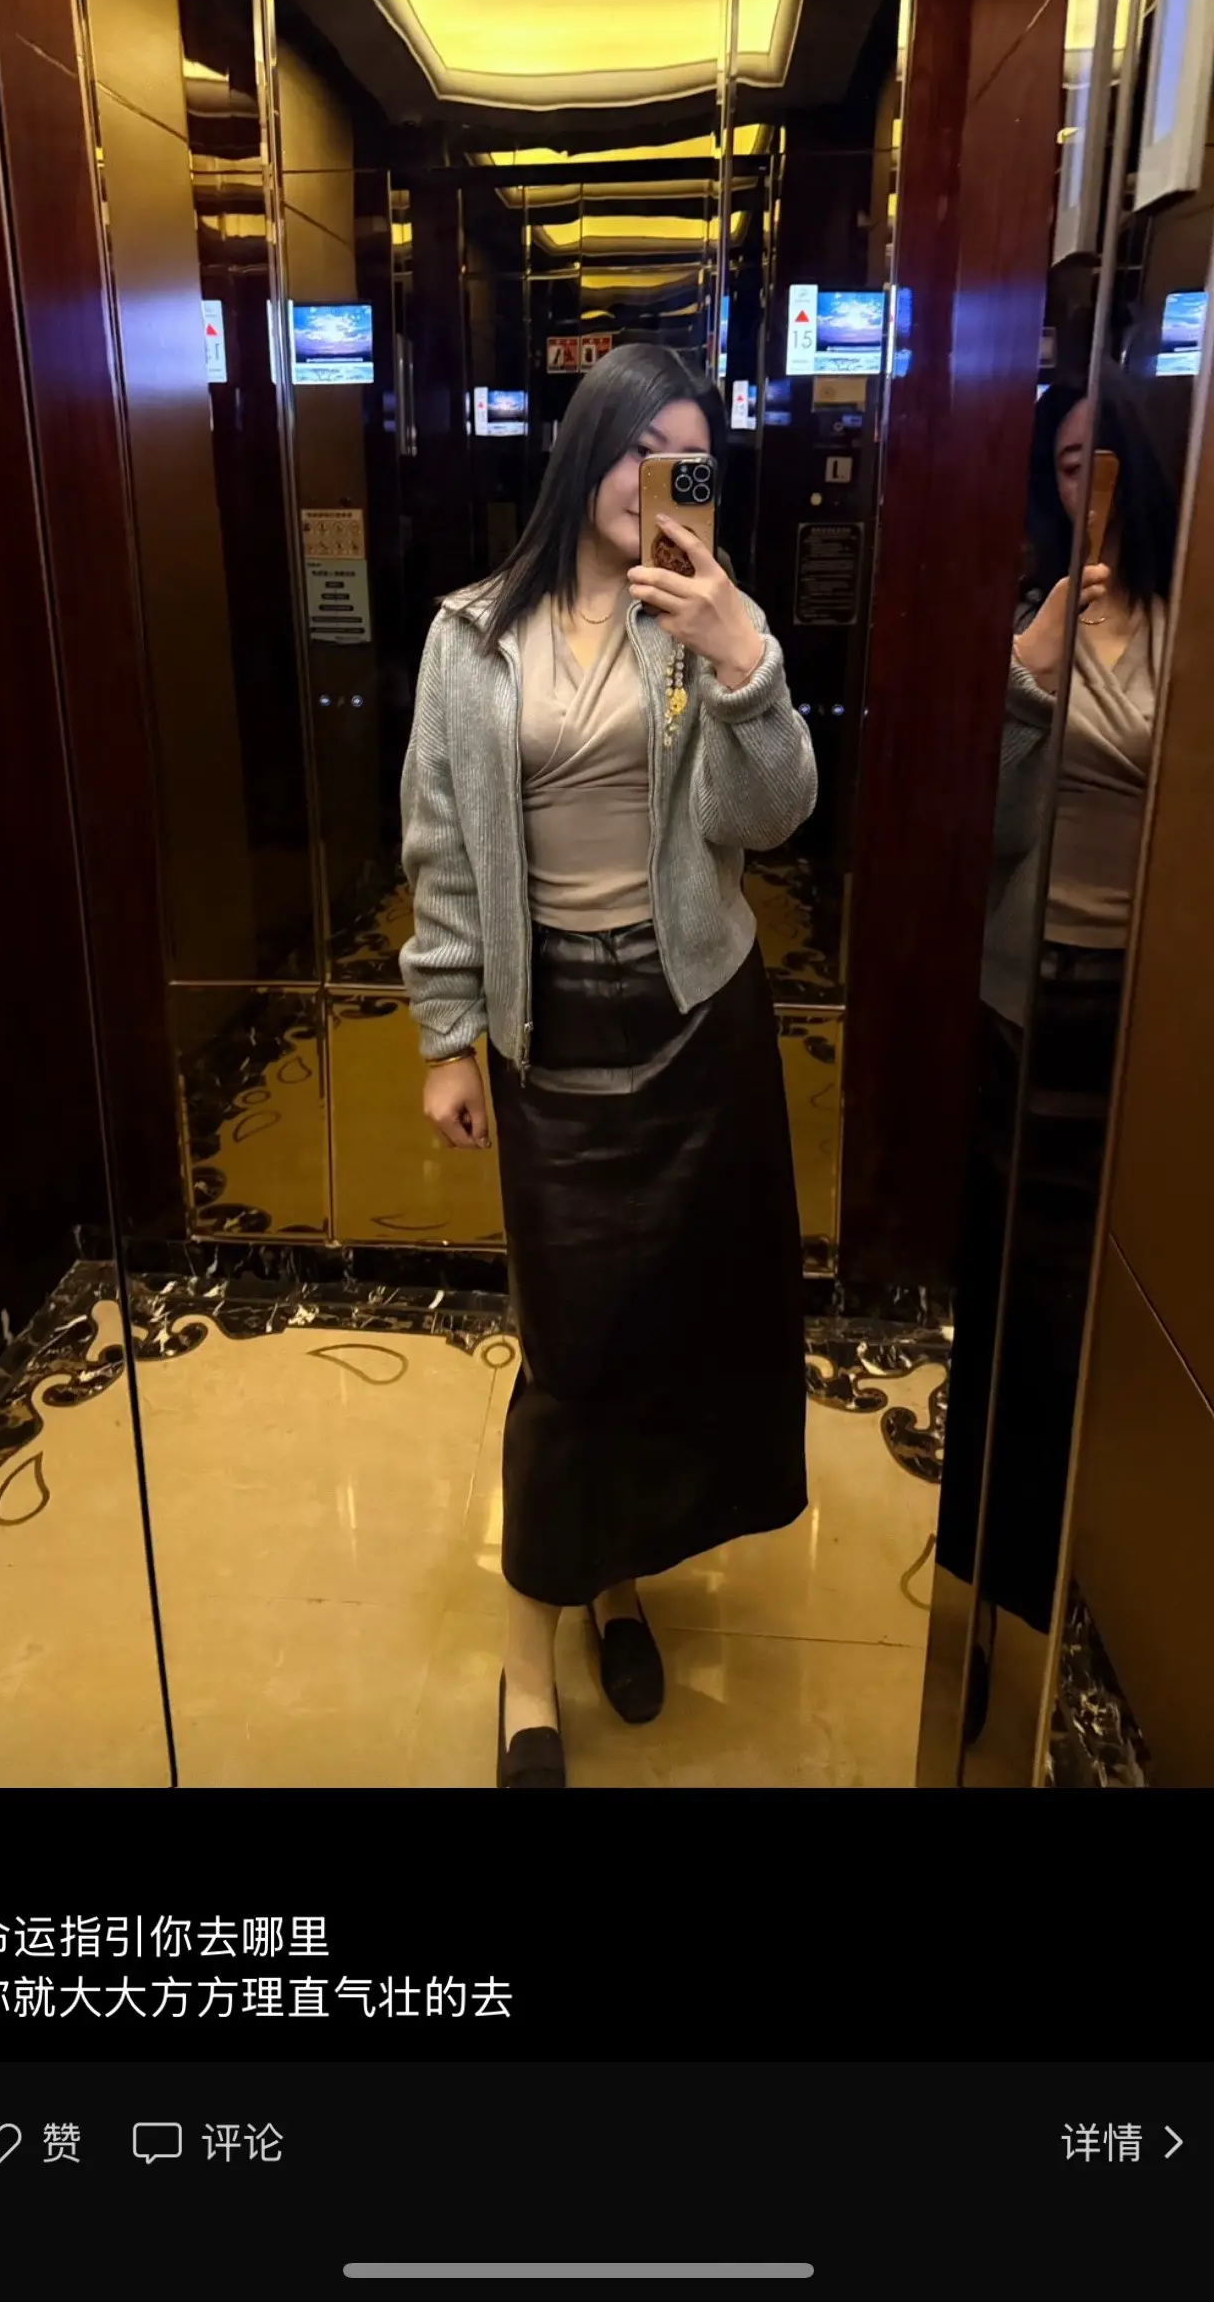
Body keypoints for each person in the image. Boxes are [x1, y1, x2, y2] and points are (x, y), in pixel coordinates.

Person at [399, 344, 817, 1787]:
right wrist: (444, 1035)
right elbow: (442, 851)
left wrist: (742, 659)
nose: (662, 480)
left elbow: (772, 817)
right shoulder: (471, 638)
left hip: (696, 1018)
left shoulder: (698, 622)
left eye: (689, 458)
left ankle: (617, 1584)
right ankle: (530, 1662)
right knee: (570, 1355)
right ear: (590, 453)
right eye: (644, 449)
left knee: (670, 1330)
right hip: (551, 1033)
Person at [937, 368, 1178, 1729]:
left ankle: (1102, 1573)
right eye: (1065, 463)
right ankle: (986, 1589)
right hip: (1027, 999)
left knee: (1103, 1307)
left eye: (1104, 460)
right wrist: (1031, 669)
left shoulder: (1191, 623)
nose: (1085, 485)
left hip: (1144, 1018)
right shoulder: (1033, 617)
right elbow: (983, 823)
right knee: (1010, 1301)